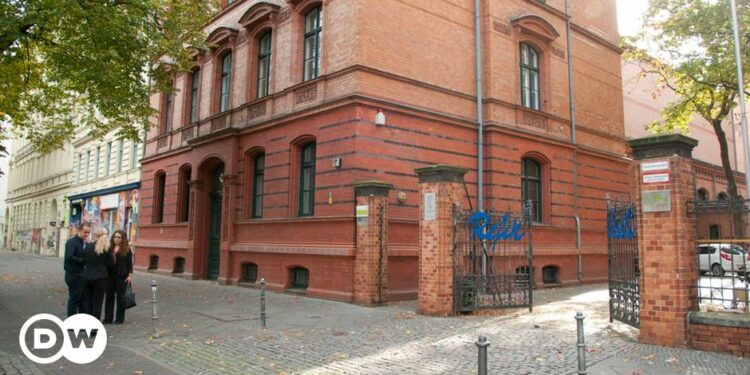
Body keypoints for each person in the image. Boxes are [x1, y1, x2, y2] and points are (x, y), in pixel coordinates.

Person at [103, 229, 133, 324]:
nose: (116, 239)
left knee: (120, 298)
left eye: (119, 237)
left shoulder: (127, 250)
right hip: (110, 276)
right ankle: (108, 318)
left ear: (123, 238)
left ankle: (119, 318)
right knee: (109, 297)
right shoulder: (109, 248)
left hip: (122, 276)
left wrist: (130, 276)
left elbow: (130, 264)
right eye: (115, 237)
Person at [82, 228, 111, 320]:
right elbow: (110, 263)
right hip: (100, 277)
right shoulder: (107, 248)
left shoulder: (89, 246)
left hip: (87, 276)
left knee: (88, 302)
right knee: (97, 303)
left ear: (96, 236)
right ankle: (95, 327)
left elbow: (84, 260)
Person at [64, 222, 91, 317]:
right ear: (79, 231)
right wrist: (83, 261)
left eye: (88, 232)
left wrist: (90, 246)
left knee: (83, 299)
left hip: (83, 274)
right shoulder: (72, 242)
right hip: (73, 274)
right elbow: (69, 257)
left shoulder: (86, 243)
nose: (87, 234)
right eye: (85, 232)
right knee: (75, 298)